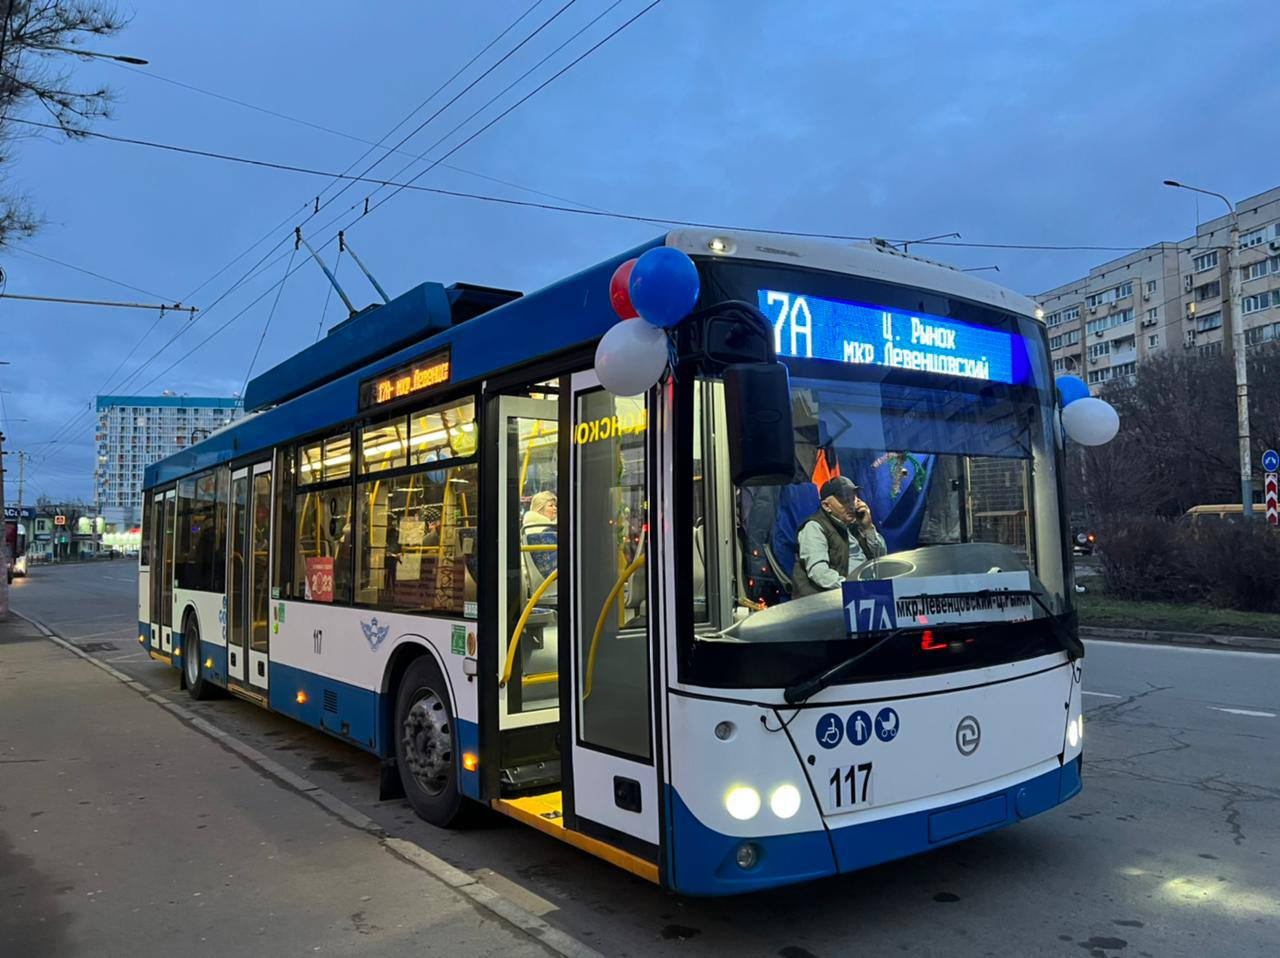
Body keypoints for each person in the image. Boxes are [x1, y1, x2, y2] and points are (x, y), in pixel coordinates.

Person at [791, 476, 887, 597]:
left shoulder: (855, 524)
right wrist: (854, 588)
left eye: (853, 498)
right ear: (826, 506)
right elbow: (819, 573)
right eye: (845, 500)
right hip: (833, 597)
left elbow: (881, 558)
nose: (851, 505)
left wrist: (868, 527)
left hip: (866, 590)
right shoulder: (814, 527)